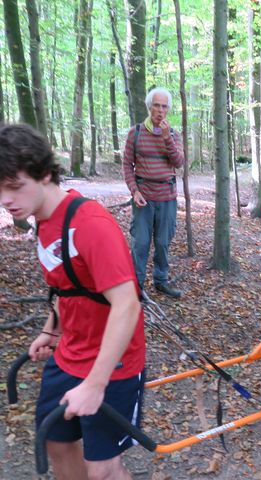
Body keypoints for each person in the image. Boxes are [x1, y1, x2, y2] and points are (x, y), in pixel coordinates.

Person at [0, 124, 145, 479]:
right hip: (69, 355)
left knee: (103, 471)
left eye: (14, 186)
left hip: (115, 366)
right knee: (56, 443)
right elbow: (67, 286)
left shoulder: (90, 224)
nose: (5, 198)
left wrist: (96, 384)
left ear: (45, 174)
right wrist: (52, 330)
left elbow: (127, 304)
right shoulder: (42, 220)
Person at [123, 87, 185, 298]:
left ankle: (160, 281)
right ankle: (136, 286)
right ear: (149, 107)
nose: (160, 110)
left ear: (168, 109)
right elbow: (126, 164)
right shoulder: (136, 132)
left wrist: (167, 138)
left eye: (164, 106)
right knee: (140, 242)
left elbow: (178, 162)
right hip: (144, 197)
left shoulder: (174, 134)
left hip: (167, 197)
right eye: (156, 105)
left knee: (162, 243)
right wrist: (134, 191)